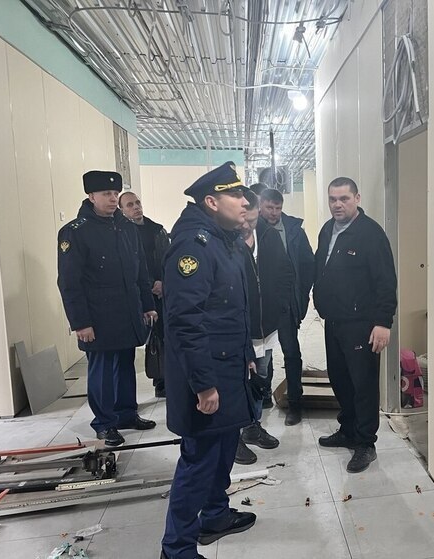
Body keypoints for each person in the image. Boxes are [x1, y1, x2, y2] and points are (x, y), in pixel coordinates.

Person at [160, 162, 257, 559]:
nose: (244, 201)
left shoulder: (224, 240)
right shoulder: (194, 246)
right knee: (199, 460)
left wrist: (247, 355)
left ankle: (215, 515)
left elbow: (231, 309)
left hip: (229, 367)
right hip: (207, 375)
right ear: (211, 202)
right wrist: (203, 384)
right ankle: (177, 548)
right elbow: (185, 322)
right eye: (235, 194)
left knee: (223, 450)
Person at [57, 171, 157, 447]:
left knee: (125, 366)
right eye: (106, 194)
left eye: (115, 194)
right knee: (101, 372)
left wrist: (147, 305)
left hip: (127, 312)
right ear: (91, 196)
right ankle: (104, 423)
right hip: (98, 317)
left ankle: (126, 414)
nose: (113, 199)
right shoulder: (75, 232)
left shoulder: (126, 228)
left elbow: (140, 271)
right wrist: (80, 322)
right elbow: (69, 282)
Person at [313, 177, 397, 473]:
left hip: (362, 324)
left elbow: (386, 281)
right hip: (334, 321)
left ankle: (365, 443)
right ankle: (348, 429)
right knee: (340, 379)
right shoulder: (327, 230)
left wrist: (383, 322)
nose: (337, 204)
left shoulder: (370, 234)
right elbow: (321, 268)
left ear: (357, 198)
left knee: (363, 385)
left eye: (344, 199)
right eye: (333, 199)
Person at [234, 190, 294, 465]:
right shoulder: (226, 242)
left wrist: (280, 307)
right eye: (242, 216)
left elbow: (286, 272)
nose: (246, 222)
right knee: (237, 381)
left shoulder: (269, 237)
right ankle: (233, 435)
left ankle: (252, 425)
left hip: (266, 327)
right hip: (238, 329)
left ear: (258, 212)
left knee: (260, 377)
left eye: (251, 216)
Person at [259, 187, 315, 425]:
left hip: (288, 304)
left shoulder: (294, 231)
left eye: (278, 208)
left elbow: (308, 265)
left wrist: (301, 298)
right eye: (269, 208)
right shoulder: (252, 229)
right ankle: (263, 395)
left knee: (291, 353)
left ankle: (295, 404)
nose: (274, 213)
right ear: (260, 206)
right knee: (262, 354)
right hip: (262, 306)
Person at [118, 191, 170, 397]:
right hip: (137, 293)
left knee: (163, 334)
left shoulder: (157, 230)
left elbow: (168, 259)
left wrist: (163, 281)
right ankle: (157, 376)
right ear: (122, 210)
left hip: (161, 291)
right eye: (130, 205)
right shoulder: (122, 233)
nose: (136, 207)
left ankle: (164, 379)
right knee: (147, 338)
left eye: (137, 203)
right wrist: (147, 285)